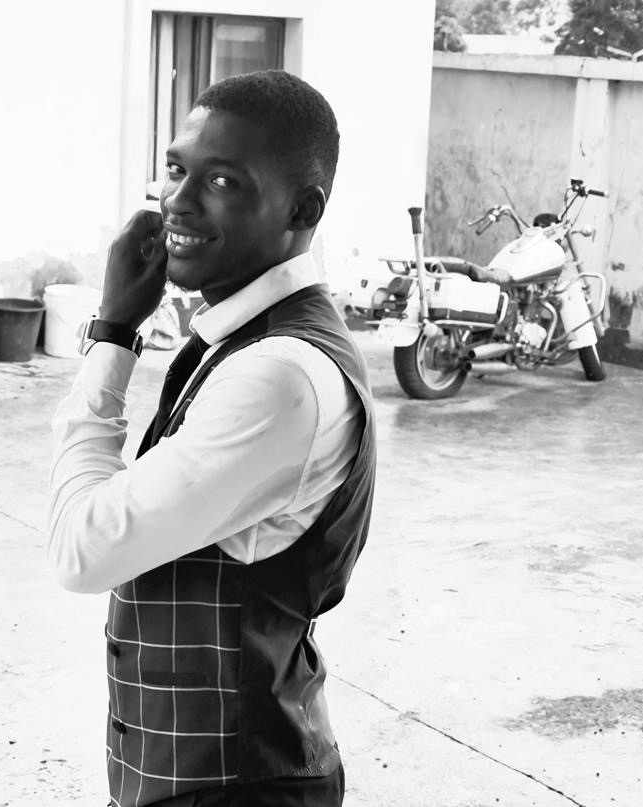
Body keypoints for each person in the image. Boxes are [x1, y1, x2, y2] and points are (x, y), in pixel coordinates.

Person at [48, 70, 377, 807]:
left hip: (237, 783)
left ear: (302, 208)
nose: (177, 200)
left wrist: (111, 336)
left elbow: (80, 549)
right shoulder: (242, 337)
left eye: (222, 180)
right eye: (175, 170)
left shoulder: (278, 375)